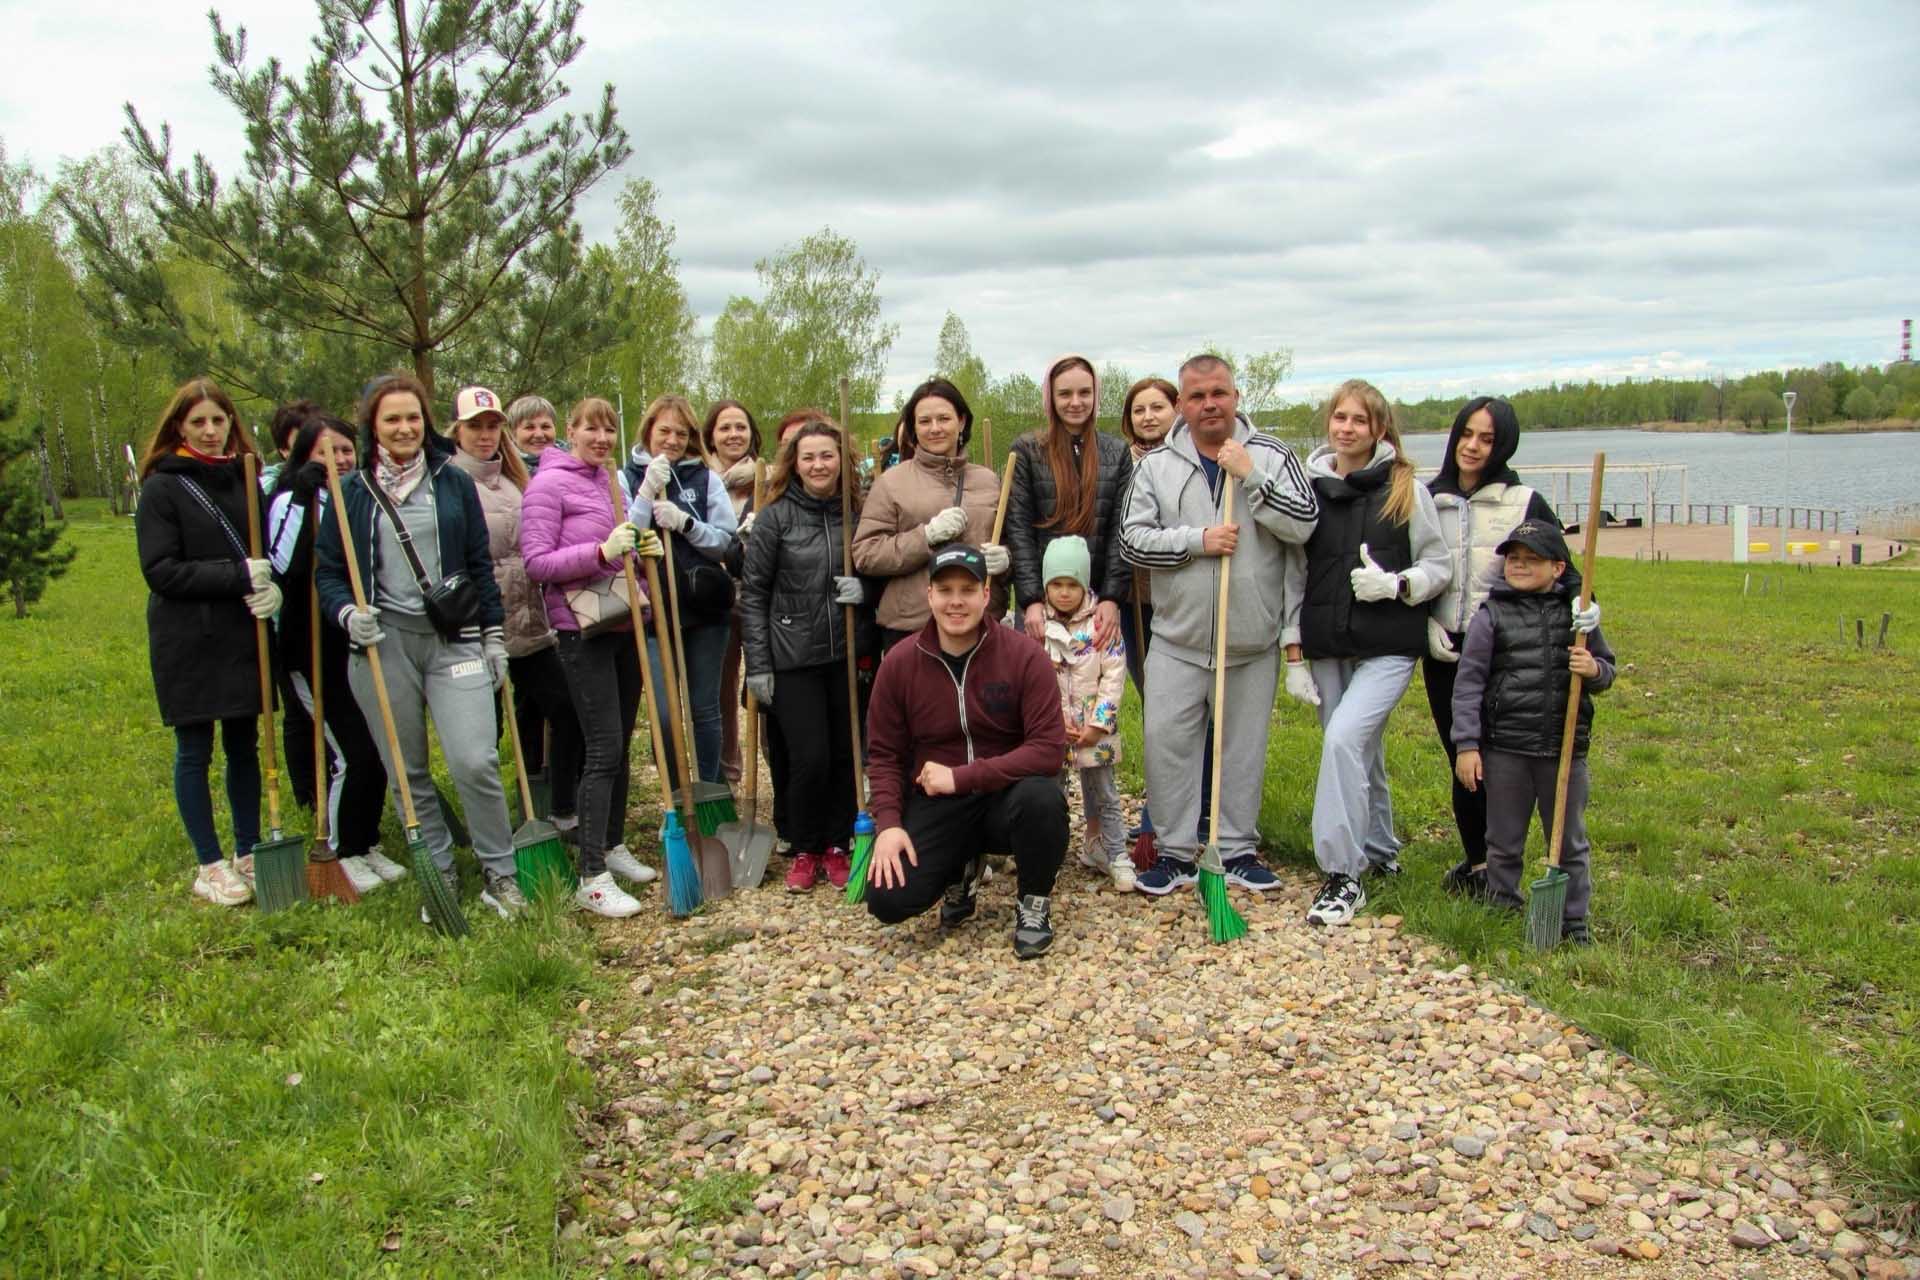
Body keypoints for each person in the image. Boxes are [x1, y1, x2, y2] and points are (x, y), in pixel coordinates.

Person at [313, 372, 525, 920]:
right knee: (408, 770)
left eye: (412, 417)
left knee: (474, 759)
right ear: (373, 427)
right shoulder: (351, 492)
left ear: (425, 422)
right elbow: (330, 573)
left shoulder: (452, 483)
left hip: (453, 642)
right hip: (384, 645)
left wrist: (494, 637)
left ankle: (499, 872)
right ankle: (439, 869)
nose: (404, 427)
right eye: (392, 419)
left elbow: (479, 565)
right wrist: (345, 614)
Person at [1120, 354, 1319, 897]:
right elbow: (1132, 540)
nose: (1210, 404)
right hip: (1178, 641)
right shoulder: (1156, 465)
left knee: (1242, 747)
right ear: (1183, 404)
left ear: (1235, 396)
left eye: (1220, 393)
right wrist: (1195, 540)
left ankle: (1235, 848)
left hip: (1250, 641)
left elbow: (1305, 525)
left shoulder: (1273, 456)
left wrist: (1252, 479)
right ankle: (1176, 853)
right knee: (1167, 744)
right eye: (1198, 396)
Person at [1281, 379, 1451, 926]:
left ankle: (1343, 874)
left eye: (1359, 420)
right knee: (1362, 750)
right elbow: (1297, 574)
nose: (1347, 428)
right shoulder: (1310, 489)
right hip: (1328, 644)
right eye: (1340, 418)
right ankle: (1379, 849)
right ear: (1328, 423)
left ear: (1378, 429)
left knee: (1342, 740)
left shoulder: (1406, 489)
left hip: (1387, 646)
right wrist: (1293, 650)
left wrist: (1400, 585)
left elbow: (1439, 565)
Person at [863, 544, 1070, 958]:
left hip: (1007, 798)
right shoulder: (900, 664)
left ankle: (1033, 901)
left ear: (986, 593)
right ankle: (960, 866)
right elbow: (884, 754)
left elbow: (1048, 749)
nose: (956, 601)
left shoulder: (1024, 656)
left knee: (1044, 799)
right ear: (929, 596)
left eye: (967, 589)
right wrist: (888, 824)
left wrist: (962, 777)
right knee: (888, 900)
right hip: (937, 803)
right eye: (945, 590)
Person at [1423, 396, 1593, 898]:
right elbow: (1412, 567)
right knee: (1463, 755)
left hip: (1510, 650)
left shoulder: (1525, 502)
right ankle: (1478, 863)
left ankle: (1511, 864)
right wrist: (1420, 627)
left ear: (1504, 446)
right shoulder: (1428, 499)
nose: (1473, 447)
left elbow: (1565, 570)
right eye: (1467, 434)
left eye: (1487, 439)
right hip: (1448, 652)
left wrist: (1585, 606)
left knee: (1505, 762)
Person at [136, 378, 278, 906]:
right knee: (194, 749)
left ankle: (247, 849)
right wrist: (238, 574)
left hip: (243, 631)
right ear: (179, 427)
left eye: (219, 420)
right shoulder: (162, 488)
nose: (211, 431)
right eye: (199, 422)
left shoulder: (245, 479)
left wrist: (271, 588)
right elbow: (161, 570)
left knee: (243, 745)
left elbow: (266, 555)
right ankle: (209, 863)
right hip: (188, 638)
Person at [520, 396, 660, 916]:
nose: (600, 438)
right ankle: (591, 875)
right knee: (601, 749)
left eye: (608, 429)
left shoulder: (609, 481)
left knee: (621, 742)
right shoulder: (547, 485)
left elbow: (619, 553)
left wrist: (642, 559)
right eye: (590, 429)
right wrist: (601, 552)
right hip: (581, 630)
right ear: (569, 432)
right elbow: (536, 563)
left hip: (621, 621)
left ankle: (611, 843)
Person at [1449, 520, 1615, 943]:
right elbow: (1468, 684)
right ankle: (1503, 904)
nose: (1520, 566)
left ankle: (1573, 920)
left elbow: (1607, 670)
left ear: (1558, 568)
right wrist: (1468, 744)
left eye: (1532, 560)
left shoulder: (1578, 618)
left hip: (1563, 749)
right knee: (1502, 838)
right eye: (1514, 559)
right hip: (1506, 748)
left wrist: (1592, 669)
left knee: (1570, 843)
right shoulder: (1491, 617)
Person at [266, 413, 400, 895]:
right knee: (353, 754)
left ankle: (365, 843)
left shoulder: (363, 496)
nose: (339, 459)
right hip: (310, 651)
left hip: (358, 644)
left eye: (345, 450)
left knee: (379, 750)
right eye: (326, 451)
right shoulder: (289, 500)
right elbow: (282, 562)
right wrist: (304, 497)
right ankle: (341, 850)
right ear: (302, 456)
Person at [445, 385, 584, 846]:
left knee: (564, 711)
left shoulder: (515, 480)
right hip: (480, 627)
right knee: (487, 733)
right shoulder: (447, 482)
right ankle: (496, 828)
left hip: (532, 624)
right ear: (458, 431)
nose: (485, 435)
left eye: (492, 426)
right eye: (475, 427)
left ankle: (558, 809)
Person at [739, 417, 869, 892]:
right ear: (794, 463)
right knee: (808, 757)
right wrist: (758, 664)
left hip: (844, 653)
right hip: (792, 656)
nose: (818, 464)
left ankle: (837, 844)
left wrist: (865, 590)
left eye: (827, 455)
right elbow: (753, 594)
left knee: (843, 756)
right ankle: (805, 844)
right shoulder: (775, 517)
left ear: (842, 460)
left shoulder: (856, 512)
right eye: (808, 456)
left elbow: (876, 562)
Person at [624, 394, 739, 786]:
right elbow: (624, 537)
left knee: (704, 709)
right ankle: (677, 796)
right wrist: (645, 494)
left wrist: (686, 524)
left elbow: (726, 543)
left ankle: (708, 791)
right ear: (649, 431)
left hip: (704, 610)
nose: (672, 440)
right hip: (652, 610)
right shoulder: (625, 476)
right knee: (664, 713)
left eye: (681, 433)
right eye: (664, 431)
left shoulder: (705, 478)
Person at [852, 378, 1009, 651]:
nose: (935, 428)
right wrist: (926, 536)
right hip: (913, 627)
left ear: (961, 422)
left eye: (944, 418)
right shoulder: (891, 483)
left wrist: (1008, 559)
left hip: (981, 622)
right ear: (913, 428)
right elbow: (866, 554)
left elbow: (1010, 540)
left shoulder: (989, 481)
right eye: (924, 421)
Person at [1006, 355, 1133, 649]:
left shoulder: (1116, 453)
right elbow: (1019, 530)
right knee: (1040, 685)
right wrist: (1031, 600)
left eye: (1084, 393)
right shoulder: (1028, 451)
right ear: (1051, 398)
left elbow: (1120, 530)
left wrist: (1112, 597)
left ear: (1095, 395)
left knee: (1093, 684)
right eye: (1065, 393)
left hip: (1095, 599)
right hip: (1042, 603)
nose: (1075, 402)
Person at [1038, 535, 1130, 889]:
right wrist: (1050, 721)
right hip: (1054, 729)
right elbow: (1033, 678)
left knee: (1104, 792)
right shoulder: (1038, 628)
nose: (1064, 592)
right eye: (1056, 584)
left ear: (1084, 584)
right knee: (1052, 795)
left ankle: (1116, 853)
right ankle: (1049, 855)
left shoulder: (1101, 627)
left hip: (1094, 729)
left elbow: (1115, 675)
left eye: (1072, 584)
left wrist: (1099, 725)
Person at [1116, 375, 1178, 845]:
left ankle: (1190, 806)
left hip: (1181, 604)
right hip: (1137, 606)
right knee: (1155, 709)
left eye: (1158, 407)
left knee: (1189, 711)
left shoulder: (1186, 462)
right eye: (1139, 409)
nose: (1148, 417)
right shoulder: (1120, 465)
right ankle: (1161, 809)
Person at [261, 398, 322, 809]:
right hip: (292, 623)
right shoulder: (276, 491)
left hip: (334, 618)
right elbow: (283, 561)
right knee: (302, 715)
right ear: (286, 449)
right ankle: (306, 795)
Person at [704, 398, 760, 785]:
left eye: (740, 427)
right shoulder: (695, 482)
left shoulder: (769, 479)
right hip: (714, 600)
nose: (733, 435)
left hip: (758, 599)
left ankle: (773, 772)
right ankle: (727, 773)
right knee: (719, 692)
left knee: (762, 690)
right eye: (724, 428)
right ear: (710, 436)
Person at [506, 394, 560, 475]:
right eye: (529, 427)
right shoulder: (504, 471)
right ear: (513, 433)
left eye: (545, 427)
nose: (539, 435)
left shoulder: (576, 464)